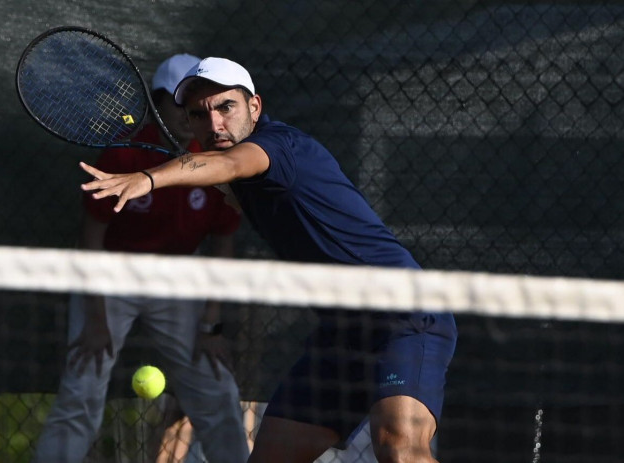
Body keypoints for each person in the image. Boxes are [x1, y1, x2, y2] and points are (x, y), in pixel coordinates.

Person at [79, 57, 458, 463]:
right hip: (342, 335)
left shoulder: (277, 147)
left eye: (226, 106)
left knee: (399, 449)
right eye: (199, 114)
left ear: (255, 107)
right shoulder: (241, 180)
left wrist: (148, 177)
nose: (215, 123)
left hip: (402, 313)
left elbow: (229, 162)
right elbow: (229, 173)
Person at [33, 54, 249, 463]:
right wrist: (96, 319)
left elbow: (223, 244)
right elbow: (91, 238)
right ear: (157, 105)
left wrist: (211, 324)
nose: (190, 113)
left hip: (176, 283)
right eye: (179, 101)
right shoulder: (123, 157)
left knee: (217, 389)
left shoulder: (218, 158)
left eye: (199, 103)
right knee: (82, 386)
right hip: (111, 279)